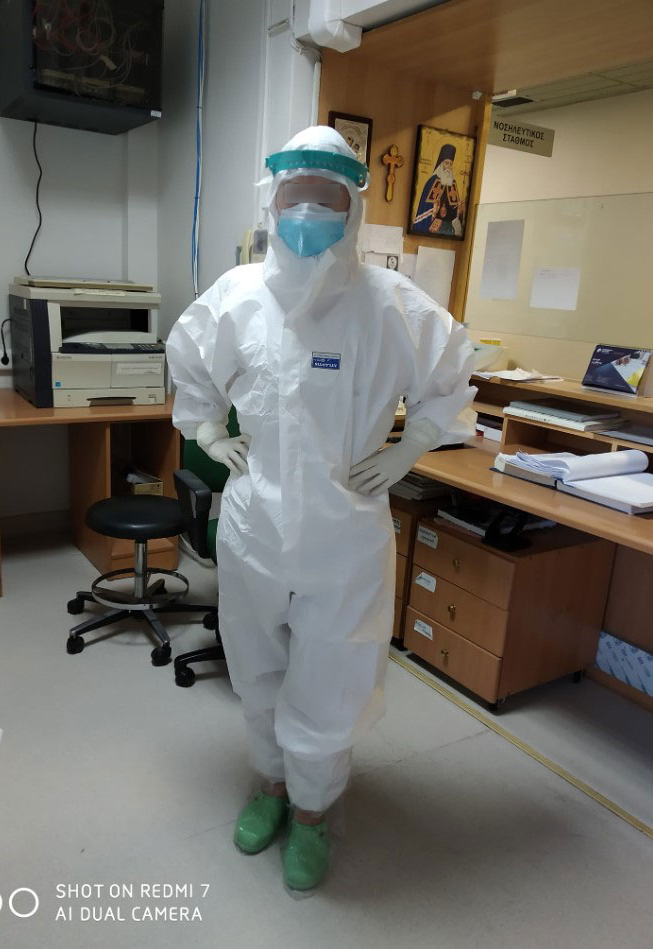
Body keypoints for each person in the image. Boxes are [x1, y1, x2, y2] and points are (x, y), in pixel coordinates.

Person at [166, 125, 475, 891]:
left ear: (353, 207)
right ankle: (271, 786)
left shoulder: (391, 305)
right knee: (256, 665)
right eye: (295, 196)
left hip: (346, 530)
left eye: (325, 197)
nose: (308, 212)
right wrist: (208, 430)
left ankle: (311, 813)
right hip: (255, 524)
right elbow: (191, 364)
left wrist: (410, 447)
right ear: (273, 203)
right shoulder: (238, 297)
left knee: (332, 677)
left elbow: (451, 375)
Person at [412, 143, 464, 237]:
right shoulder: (432, 182)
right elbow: (424, 209)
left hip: (448, 228)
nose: (448, 167)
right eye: (446, 163)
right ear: (441, 164)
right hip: (432, 226)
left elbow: (455, 212)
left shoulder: (453, 184)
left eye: (451, 164)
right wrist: (434, 212)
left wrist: (459, 212)